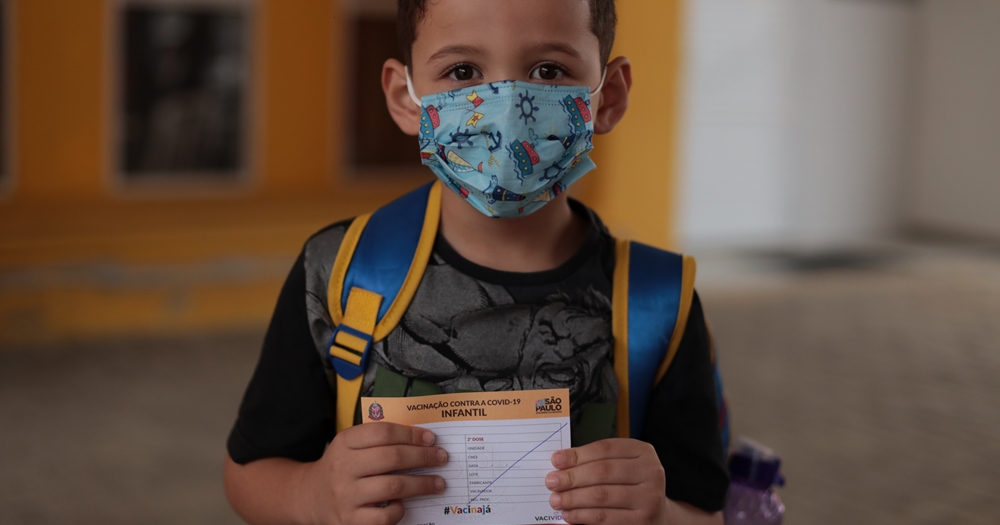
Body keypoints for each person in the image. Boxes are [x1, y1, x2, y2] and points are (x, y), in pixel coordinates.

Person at [223, 1, 728, 524]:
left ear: (609, 95)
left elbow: (706, 512)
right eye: (462, 72)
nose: (506, 109)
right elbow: (249, 472)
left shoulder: (658, 301)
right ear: (404, 98)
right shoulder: (338, 271)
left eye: (548, 70)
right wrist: (312, 497)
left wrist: (661, 515)